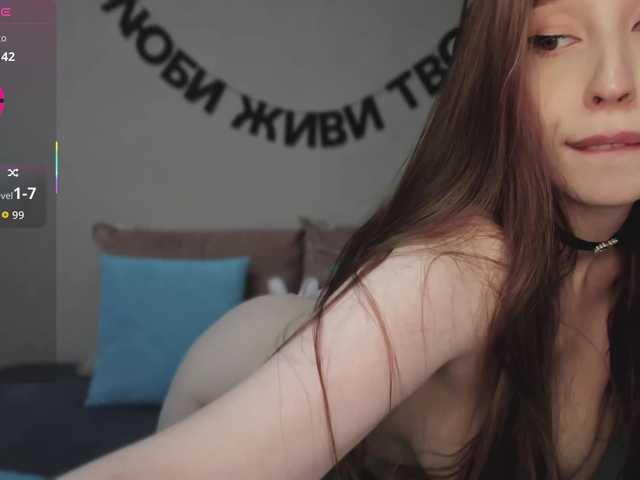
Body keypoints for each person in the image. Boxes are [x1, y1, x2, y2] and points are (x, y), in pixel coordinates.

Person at [58, 0, 640, 478]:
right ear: (496, 80)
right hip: (232, 379)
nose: (614, 82)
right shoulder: (462, 269)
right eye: (552, 39)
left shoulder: (619, 261)